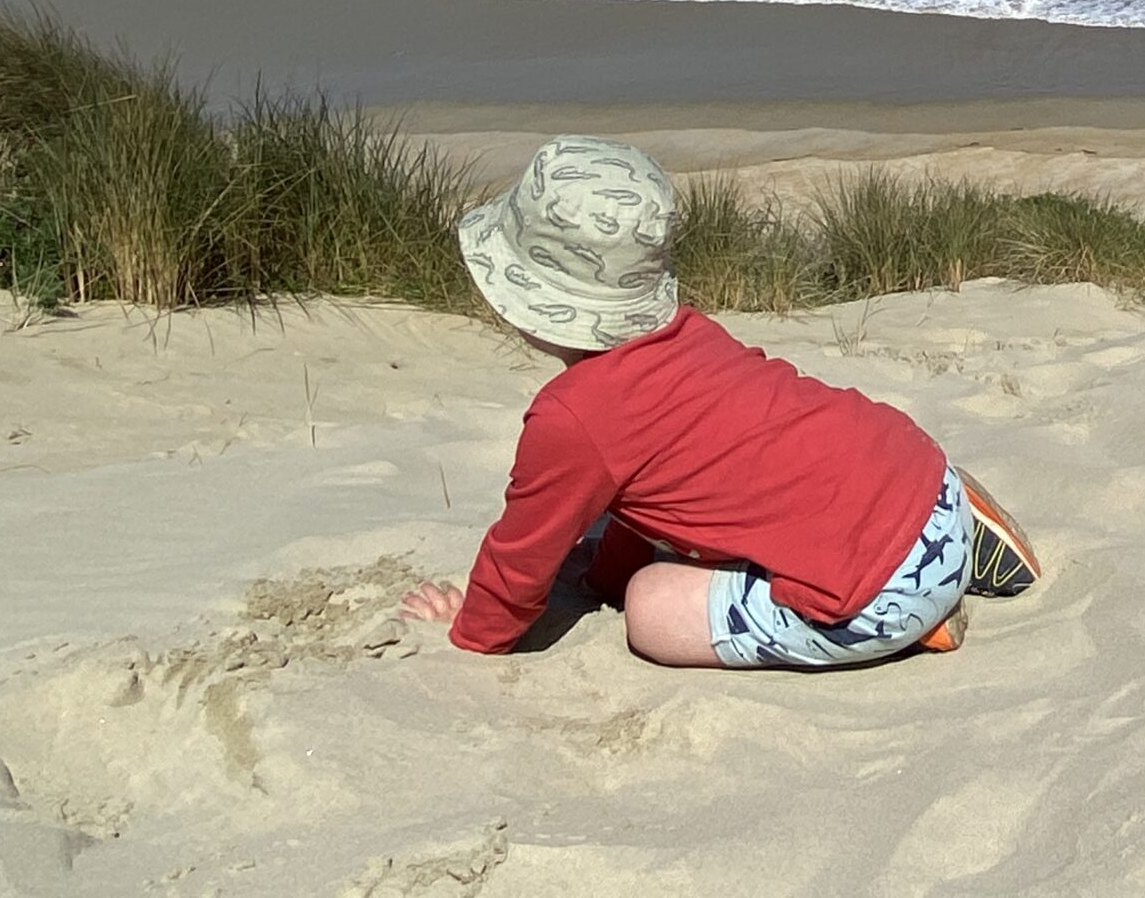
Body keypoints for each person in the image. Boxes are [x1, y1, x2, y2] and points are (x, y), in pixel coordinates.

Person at [397, 135, 1038, 667]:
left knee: (652, 607)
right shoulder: (689, 334)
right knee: (725, 514)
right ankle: (954, 524)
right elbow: (635, 497)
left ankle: (921, 618)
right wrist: (599, 578)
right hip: (917, 469)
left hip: (885, 590)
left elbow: (521, 555)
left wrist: (474, 632)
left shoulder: (571, 418)